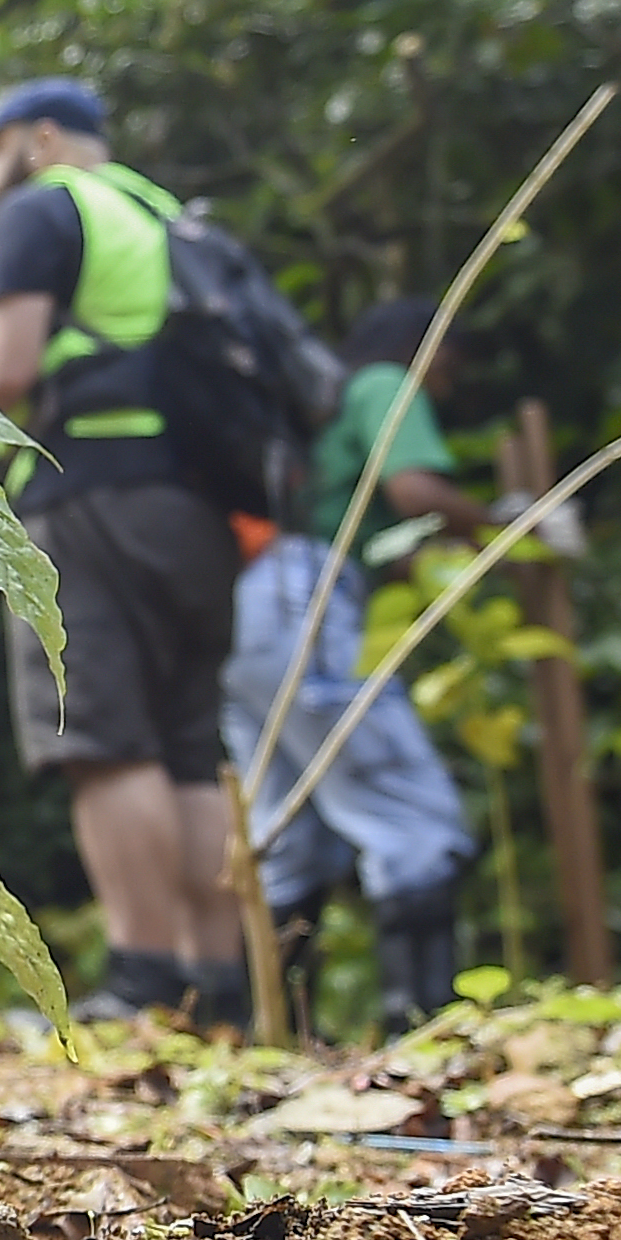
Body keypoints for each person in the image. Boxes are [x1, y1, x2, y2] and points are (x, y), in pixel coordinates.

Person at [0, 78, 248, 1027]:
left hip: (92, 498)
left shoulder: (46, 209)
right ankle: (219, 988)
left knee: (106, 736)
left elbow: (3, 370)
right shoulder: (168, 216)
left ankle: (143, 979)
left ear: (39, 139)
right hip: (198, 508)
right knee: (189, 748)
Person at [225, 298, 488, 1028]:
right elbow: (415, 490)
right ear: (423, 348)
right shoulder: (380, 385)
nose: (444, 387)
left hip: (251, 607)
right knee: (411, 811)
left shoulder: (325, 414)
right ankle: (422, 1021)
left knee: (291, 830)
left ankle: (272, 1034)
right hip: (301, 597)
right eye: (448, 368)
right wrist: (505, 519)